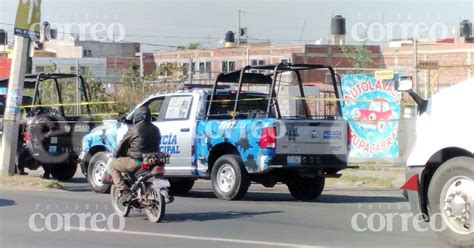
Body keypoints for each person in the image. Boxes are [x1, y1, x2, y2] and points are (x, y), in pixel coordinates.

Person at [110, 106, 161, 203]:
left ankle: (125, 192)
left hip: (138, 161)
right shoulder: (156, 129)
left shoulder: (134, 129)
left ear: (137, 116)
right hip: (153, 160)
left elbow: (122, 144)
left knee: (112, 165)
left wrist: (115, 154)